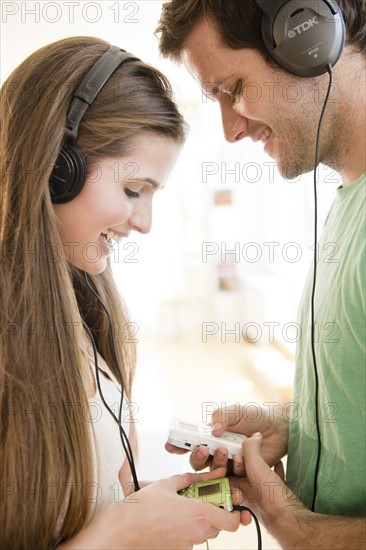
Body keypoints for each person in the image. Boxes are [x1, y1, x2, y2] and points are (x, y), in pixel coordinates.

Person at [0, 36, 242, 549]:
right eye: (133, 191)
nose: (145, 222)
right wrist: (121, 534)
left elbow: (91, 509)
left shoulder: (87, 309)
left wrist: (153, 511)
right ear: (57, 168)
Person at [157, 0, 366, 547]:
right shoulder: (348, 204)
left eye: (233, 88)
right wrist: (294, 425)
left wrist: (298, 531)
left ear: (307, 38)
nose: (229, 128)